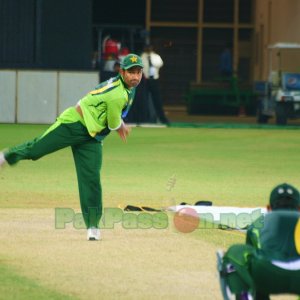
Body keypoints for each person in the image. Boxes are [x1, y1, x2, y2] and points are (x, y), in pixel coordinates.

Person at [0, 53, 144, 241]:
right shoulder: (117, 93)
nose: (135, 76)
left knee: (91, 181)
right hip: (73, 124)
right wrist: (121, 126)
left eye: (138, 72)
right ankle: (6, 156)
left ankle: (93, 226)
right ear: (122, 72)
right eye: (131, 72)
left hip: (91, 137)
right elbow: (113, 122)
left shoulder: (127, 88)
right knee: (36, 150)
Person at [218, 183, 300, 300]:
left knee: (235, 253)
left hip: (268, 274)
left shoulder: (258, 224)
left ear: (268, 208)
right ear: (299, 208)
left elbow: (252, 260)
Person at [141, 44, 170, 125]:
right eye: (147, 48)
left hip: (154, 79)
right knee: (144, 99)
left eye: (149, 47)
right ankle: (144, 118)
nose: (148, 49)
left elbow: (160, 64)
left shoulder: (156, 56)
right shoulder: (141, 57)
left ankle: (162, 119)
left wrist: (151, 60)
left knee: (157, 100)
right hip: (145, 80)